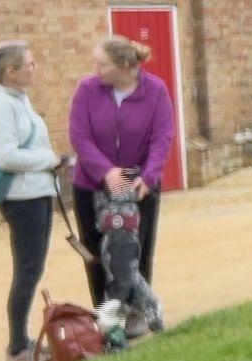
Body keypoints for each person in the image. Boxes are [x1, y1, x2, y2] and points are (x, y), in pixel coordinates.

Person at [0, 41, 69, 361]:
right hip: (22, 197)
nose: (35, 68)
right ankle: (16, 349)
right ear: (10, 72)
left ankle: (22, 342)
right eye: (30, 64)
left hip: (35, 192)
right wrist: (50, 160)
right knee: (27, 270)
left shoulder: (15, 99)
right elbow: (6, 156)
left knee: (32, 269)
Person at [70, 35, 176, 339]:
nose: (96, 69)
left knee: (134, 249)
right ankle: (108, 317)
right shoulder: (87, 90)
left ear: (125, 65)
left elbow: (162, 137)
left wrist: (150, 175)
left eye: (102, 64)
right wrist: (106, 171)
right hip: (91, 180)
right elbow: (80, 136)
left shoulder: (155, 90)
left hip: (137, 179)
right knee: (95, 252)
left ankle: (136, 313)